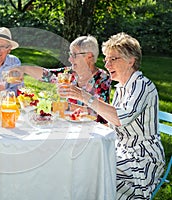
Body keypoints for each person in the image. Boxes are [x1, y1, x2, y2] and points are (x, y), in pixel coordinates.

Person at [58, 32, 165, 199]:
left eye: (113, 59)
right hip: (121, 150)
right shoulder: (122, 88)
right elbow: (112, 123)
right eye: (106, 59)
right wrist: (86, 117)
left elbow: (119, 118)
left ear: (131, 60)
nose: (107, 64)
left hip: (142, 159)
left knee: (91, 168)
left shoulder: (142, 85)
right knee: (80, 158)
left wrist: (84, 96)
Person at [17, 35, 111, 123]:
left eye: (74, 55)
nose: (70, 59)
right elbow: (47, 75)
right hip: (70, 126)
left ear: (89, 56)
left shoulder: (102, 79)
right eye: (70, 54)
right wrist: (23, 69)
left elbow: (102, 115)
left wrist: (67, 107)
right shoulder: (69, 74)